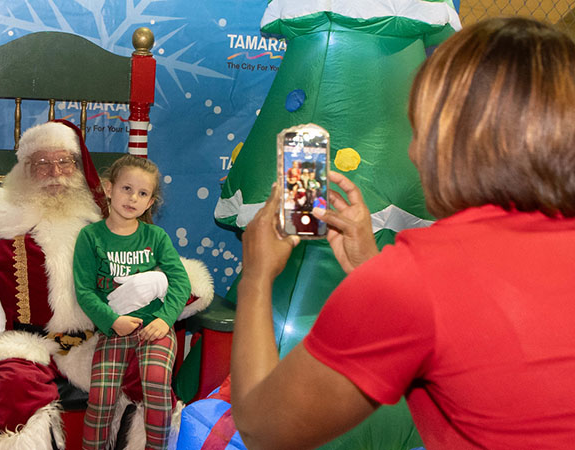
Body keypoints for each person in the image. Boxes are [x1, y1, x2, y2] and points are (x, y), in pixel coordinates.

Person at [231, 17, 575, 450]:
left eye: (418, 128)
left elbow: (265, 431)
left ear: (450, 140)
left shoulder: (416, 276)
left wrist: (256, 277)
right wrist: (369, 267)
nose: (413, 150)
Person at [0, 120, 214, 449]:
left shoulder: (105, 220)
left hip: (92, 339)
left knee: (147, 376)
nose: (55, 171)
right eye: (42, 163)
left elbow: (181, 278)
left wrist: (160, 284)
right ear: (24, 169)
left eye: (64, 161)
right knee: (17, 388)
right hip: (20, 341)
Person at [74, 155, 191, 450]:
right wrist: (112, 321)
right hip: (115, 329)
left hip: (155, 329)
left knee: (155, 381)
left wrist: (164, 319)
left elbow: (181, 283)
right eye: (127, 189)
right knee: (101, 399)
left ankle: (156, 447)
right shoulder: (90, 237)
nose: (133, 198)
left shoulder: (156, 236)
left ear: (150, 203)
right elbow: (85, 290)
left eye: (142, 194)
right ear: (108, 188)